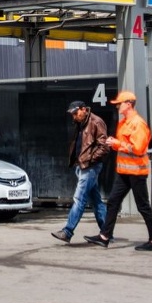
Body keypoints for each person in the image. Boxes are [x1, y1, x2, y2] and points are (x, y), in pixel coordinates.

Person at [86, 90, 152, 251]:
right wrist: (115, 142)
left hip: (137, 172)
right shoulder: (124, 123)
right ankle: (104, 236)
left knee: (143, 206)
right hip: (125, 172)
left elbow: (139, 149)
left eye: (119, 104)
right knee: (113, 201)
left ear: (128, 104)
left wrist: (117, 144)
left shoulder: (137, 124)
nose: (117, 106)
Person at [51, 100, 110, 243]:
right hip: (82, 166)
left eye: (75, 113)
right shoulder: (80, 122)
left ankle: (67, 231)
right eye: (72, 114)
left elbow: (105, 147)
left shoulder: (96, 122)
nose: (74, 117)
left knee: (79, 199)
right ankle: (107, 233)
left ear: (84, 109)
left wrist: (89, 159)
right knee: (96, 201)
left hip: (90, 167)